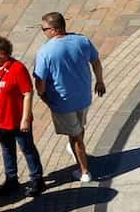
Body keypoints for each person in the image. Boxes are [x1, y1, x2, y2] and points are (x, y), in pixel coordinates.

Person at [33, 10, 107, 182]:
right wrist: (100, 81)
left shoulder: (45, 52)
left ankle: (84, 171)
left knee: (75, 137)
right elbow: (95, 61)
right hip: (84, 97)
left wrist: (42, 95)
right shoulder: (82, 41)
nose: (43, 32)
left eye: (43, 29)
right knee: (78, 128)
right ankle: (78, 150)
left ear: (54, 29)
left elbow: (40, 80)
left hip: (62, 102)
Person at [0, 35, 45, 197]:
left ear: (2, 53)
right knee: (7, 149)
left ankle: (37, 179)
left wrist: (25, 118)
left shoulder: (18, 69)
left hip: (17, 119)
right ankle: (11, 179)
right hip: (0, 119)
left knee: (27, 148)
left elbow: (27, 93)